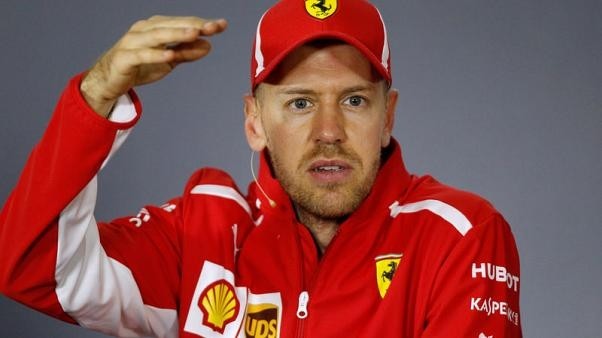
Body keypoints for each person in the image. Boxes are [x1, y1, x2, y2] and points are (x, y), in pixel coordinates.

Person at [0, 0, 522, 337]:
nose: (328, 131)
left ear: (388, 116)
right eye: (299, 103)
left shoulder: (459, 236)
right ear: (254, 122)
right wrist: (96, 97)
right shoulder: (202, 234)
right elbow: (35, 268)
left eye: (355, 101)